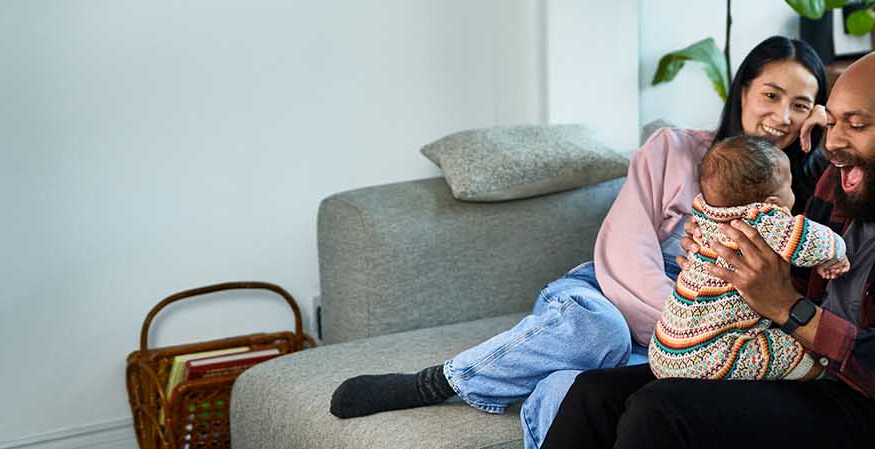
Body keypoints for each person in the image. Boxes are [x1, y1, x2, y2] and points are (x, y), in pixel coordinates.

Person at [327, 36, 833, 449]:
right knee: (598, 332)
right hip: (614, 298)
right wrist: (682, 329)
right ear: (742, 90)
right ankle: (438, 381)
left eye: (802, 105)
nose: (783, 115)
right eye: (771, 94)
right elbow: (623, 250)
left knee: (573, 391)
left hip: (690, 337)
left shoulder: (800, 196)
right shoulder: (675, 148)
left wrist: (829, 142)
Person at [541, 49, 875, 449]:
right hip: (821, 380)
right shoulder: (839, 183)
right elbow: (780, 247)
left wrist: (788, 307)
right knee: (593, 395)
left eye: (857, 125)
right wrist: (725, 258)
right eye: (834, 122)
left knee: (663, 410)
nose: (836, 142)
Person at [649, 135, 847, 382]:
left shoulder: (704, 214)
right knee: (786, 348)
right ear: (772, 202)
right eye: (790, 186)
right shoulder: (762, 220)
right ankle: (823, 377)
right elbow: (811, 242)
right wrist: (836, 252)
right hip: (713, 357)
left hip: (664, 349)